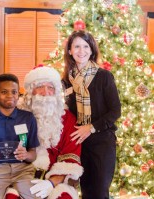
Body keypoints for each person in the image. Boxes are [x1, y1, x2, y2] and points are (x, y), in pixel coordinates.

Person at [62, 31, 121, 199]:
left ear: (92, 50)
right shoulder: (66, 80)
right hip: (79, 144)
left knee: (100, 191)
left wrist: (91, 127)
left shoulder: (104, 76)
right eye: (77, 46)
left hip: (102, 142)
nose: (82, 51)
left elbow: (115, 111)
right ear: (70, 51)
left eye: (86, 46)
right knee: (86, 190)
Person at [19, 65, 83, 199]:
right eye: (40, 87)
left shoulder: (68, 119)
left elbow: (70, 159)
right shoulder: (19, 116)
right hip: (21, 176)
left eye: (50, 87)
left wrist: (50, 183)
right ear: (31, 92)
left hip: (56, 181)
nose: (45, 92)